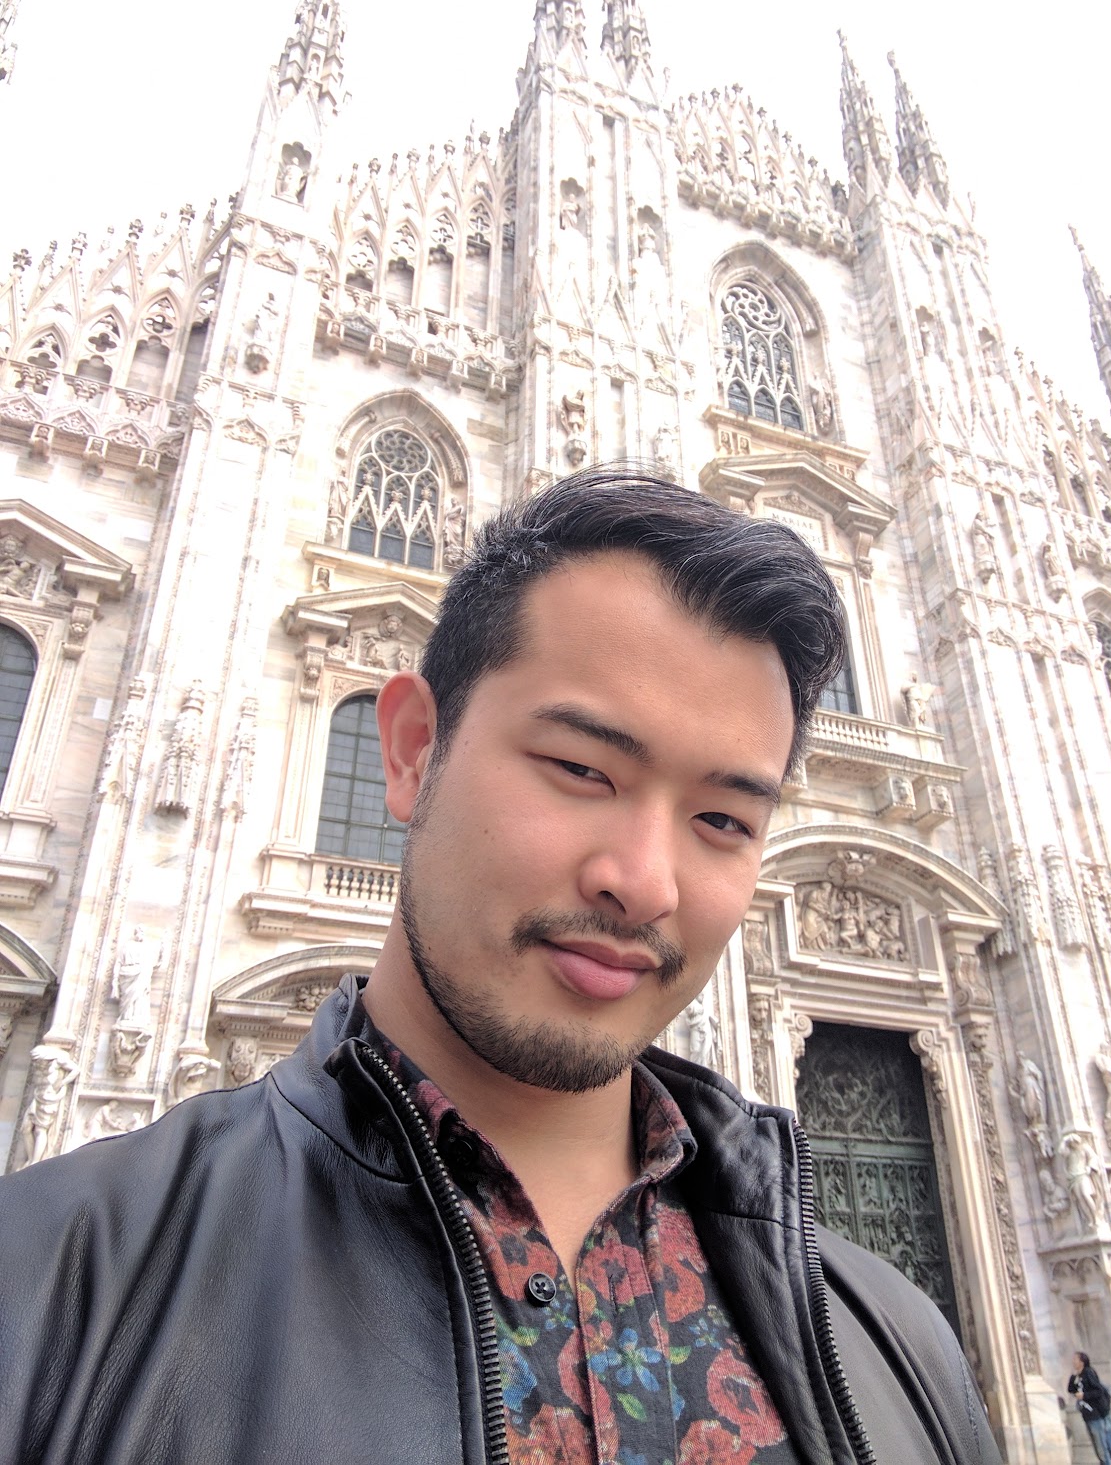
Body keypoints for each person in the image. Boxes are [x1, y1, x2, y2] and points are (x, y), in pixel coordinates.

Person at [0, 469, 1001, 1464]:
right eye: (581, 769)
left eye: (723, 819)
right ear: (410, 750)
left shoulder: (900, 1355)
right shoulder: (55, 1295)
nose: (643, 884)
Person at [1067, 1352, 1111, 1464]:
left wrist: (1084, 1395)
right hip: (1088, 1415)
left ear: (1082, 1361)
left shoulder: (1088, 1373)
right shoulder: (1077, 1376)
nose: (1073, 1361)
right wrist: (1073, 1376)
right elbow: (1070, 1389)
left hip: (1096, 1414)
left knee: (1103, 1445)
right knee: (1100, 1445)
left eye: (1075, 1359)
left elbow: (1098, 1391)